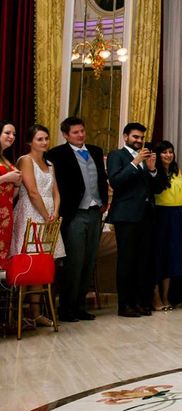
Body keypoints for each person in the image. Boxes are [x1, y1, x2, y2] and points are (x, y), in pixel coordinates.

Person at [46, 116, 109, 322]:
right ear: (66, 135)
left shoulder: (96, 152)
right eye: (75, 132)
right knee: (74, 261)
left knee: (89, 261)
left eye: (82, 131)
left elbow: (100, 177)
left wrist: (103, 201)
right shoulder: (56, 154)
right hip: (74, 214)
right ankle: (66, 308)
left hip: (94, 212)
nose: (81, 135)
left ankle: (80, 306)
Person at [107, 123, 163, 318]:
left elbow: (156, 188)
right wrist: (134, 162)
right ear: (125, 137)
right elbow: (115, 181)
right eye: (135, 137)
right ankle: (124, 305)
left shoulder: (146, 159)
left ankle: (140, 302)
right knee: (127, 260)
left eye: (141, 138)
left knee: (143, 261)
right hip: (126, 215)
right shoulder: (117, 155)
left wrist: (152, 169)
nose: (139, 141)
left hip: (146, 215)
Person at [11, 124, 62, 328]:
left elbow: (56, 191)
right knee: (27, 261)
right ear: (29, 142)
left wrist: (55, 211)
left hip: (49, 214)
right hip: (31, 213)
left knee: (42, 262)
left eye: (46, 138)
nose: (44, 142)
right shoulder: (25, 160)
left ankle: (36, 313)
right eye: (39, 139)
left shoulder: (50, 164)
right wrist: (44, 215)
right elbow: (32, 191)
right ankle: (19, 314)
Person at [153, 140, 182, 309]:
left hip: (178, 216)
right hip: (161, 215)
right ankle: (155, 298)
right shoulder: (154, 171)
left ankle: (167, 296)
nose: (168, 155)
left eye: (171, 152)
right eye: (164, 152)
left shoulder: (178, 171)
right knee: (159, 256)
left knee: (174, 257)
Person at [0, 121, 21, 268]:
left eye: (14, 134)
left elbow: (10, 195)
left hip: (6, 214)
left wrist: (18, 184)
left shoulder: (6, 159)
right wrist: (6, 178)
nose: (11, 136)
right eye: (7, 133)